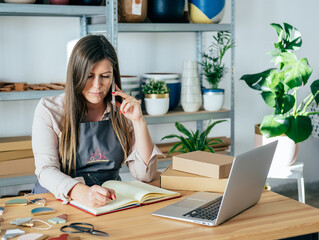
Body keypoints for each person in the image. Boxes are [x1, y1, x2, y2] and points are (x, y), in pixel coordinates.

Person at [31, 34, 163, 208]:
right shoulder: (49, 110)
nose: (97, 85)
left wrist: (139, 122)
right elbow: (46, 170)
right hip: (56, 202)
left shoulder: (124, 111)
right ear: (76, 74)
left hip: (106, 203)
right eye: (89, 76)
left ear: (114, 77)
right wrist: (81, 192)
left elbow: (145, 175)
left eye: (105, 76)